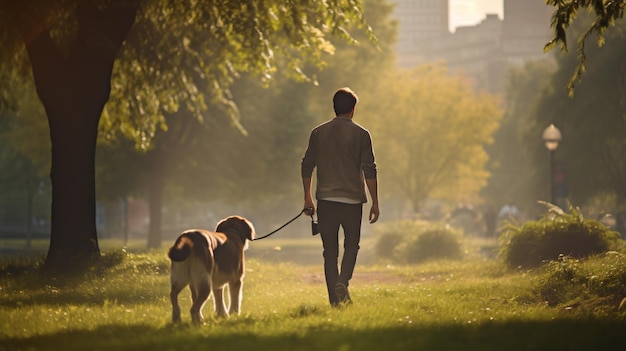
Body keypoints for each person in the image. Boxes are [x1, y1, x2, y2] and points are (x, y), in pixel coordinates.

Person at [301, 87, 379, 307]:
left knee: (330, 252)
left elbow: (307, 165)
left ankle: (335, 302)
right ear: (353, 109)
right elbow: (369, 169)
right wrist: (375, 202)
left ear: (334, 107)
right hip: (353, 202)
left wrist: (308, 197)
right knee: (352, 246)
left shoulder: (318, 132)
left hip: (325, 200)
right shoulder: (362, 134)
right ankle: (343, 282)